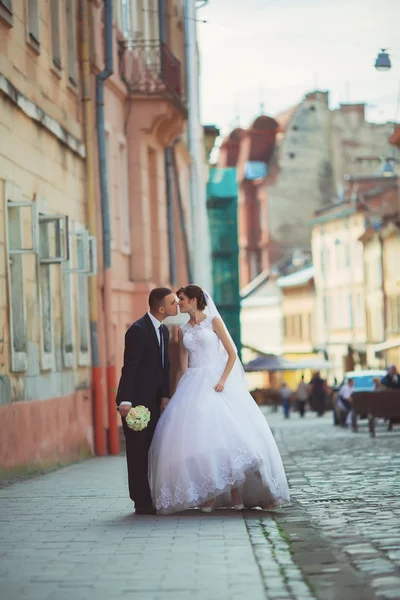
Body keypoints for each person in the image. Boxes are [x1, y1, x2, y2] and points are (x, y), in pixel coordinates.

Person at [148, 285, 290, 515]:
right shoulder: (182, 330)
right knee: (199, 438)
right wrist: (175, 393)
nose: (179, 303)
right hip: (192, 382)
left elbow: (232, 354)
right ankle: (210, 493)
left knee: (223, 434)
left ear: (194, 300)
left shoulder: (213, 321)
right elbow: (182, 366)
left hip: (215, 380)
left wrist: (223, 380)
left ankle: (234, 492)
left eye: (182, 299)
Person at [116, 287, 178, 515]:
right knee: (138, 452)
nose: (177, 305)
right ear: (161, 308)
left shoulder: (164, 331)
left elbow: (165, 367)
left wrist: (165, 394)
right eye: (173, 302)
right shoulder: (138, 330)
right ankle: (140, 501)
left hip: (155, 402)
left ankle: (153, 495)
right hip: (135, 404)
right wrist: (126, 400)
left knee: (155, 450)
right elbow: (129, 368)